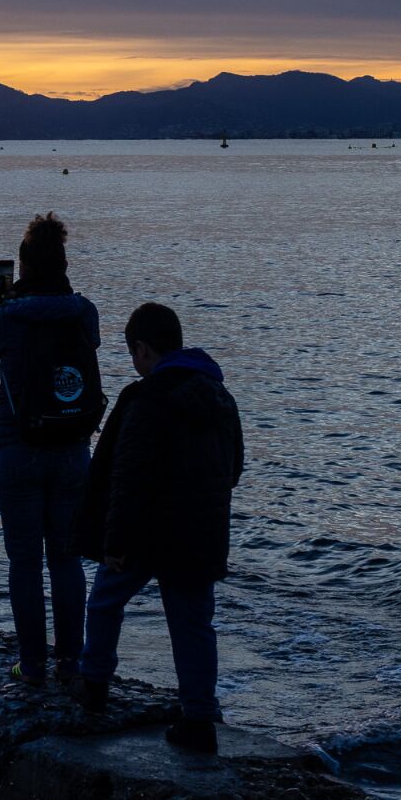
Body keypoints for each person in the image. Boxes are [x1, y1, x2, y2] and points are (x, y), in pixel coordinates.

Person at [71, 302, 244, 754]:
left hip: (147, 531)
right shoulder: (220, 396)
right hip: (201, 534)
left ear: (144, 349)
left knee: (105, 601)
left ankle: (94, 684)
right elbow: (234, 469)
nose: (134, 362)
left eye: (134, 353)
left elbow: (125, 476)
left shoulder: (145, 399)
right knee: (193, 625)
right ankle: (199, 719)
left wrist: (114, 541)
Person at [0, 213, 104, 687]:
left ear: (23, 267)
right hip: (72, 447)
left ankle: (32, 664)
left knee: (25, 562)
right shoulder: (84, 311)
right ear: (64, 263)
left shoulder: (9, 316)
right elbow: (91, 344)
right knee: (66, 560)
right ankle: (70, 662)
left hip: (16, 448)